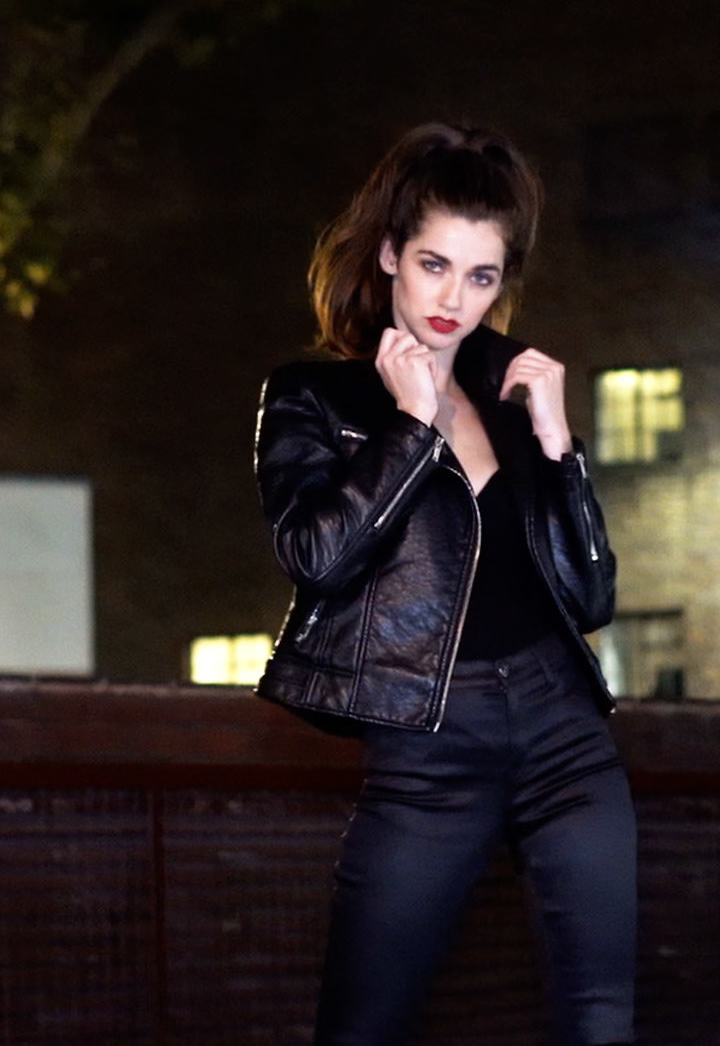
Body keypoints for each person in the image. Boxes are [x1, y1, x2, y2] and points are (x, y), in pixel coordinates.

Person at [252, 122, 636, 1046]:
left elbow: (591, 600)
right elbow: (314, 557)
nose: (453, 299)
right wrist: (412, 428)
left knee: (602, 1020)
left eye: (481, 276)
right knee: (363, 1027)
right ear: (390, 254)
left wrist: (560, 448)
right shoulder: (316, 399)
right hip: (427, 745)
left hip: (561, 730)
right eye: (434, 265)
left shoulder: (515, 396)